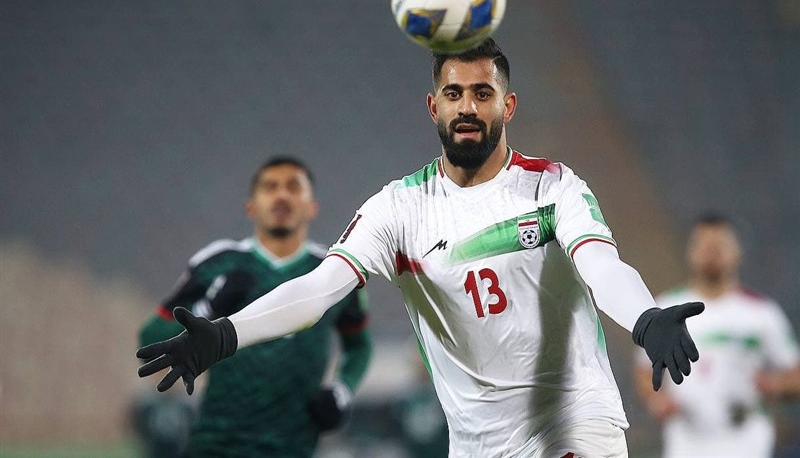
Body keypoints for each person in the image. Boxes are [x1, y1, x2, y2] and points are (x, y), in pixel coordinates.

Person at [138, 39, 705, 458]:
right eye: (454, 93)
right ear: (433, 107)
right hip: (476, 444)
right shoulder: (399, 208)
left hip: (573, 421)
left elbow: (600, 264)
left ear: (508, 106)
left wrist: (645, 316)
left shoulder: (552, 186)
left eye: (482, 93)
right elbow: (319, 289)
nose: (467, 107)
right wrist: (226, 334)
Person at [138, 156, 372, 457]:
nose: (282, 195)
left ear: (312, 207)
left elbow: (359, 346)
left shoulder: (332, 271)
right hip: (216, 442)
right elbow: (151, 337)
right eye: (270, 187)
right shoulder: (219, 262)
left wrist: (342, 390)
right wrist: (207, 308)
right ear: (251, 206)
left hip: (295, 446)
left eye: (293, 187)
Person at [634, 214, 800, 458]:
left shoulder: (762, 313)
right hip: (687, 440)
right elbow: (644, 368)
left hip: (745, 439)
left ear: (738, 252)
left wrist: (776, 384)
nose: (711, 253)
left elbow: (795, 375)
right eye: (704, 245)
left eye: (719, 246)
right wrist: (656, 399)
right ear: (690, 251)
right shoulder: (667, 309)